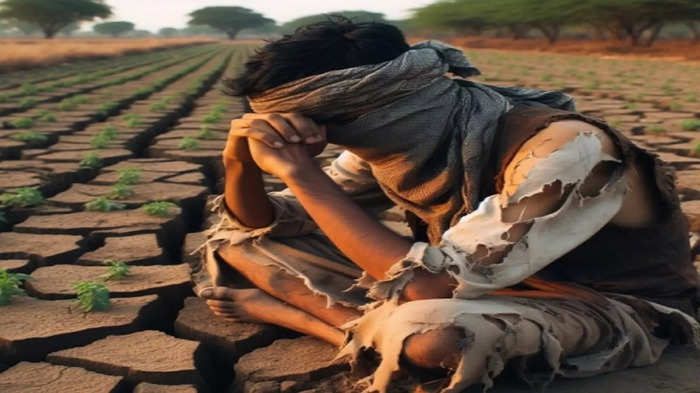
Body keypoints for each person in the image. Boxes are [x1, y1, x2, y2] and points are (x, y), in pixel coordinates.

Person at [192, 18, 700, 392]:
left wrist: (302, 173)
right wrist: (238, 158)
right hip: (469, 282)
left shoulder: (564, 149)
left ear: (383, 103)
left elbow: (428, 286)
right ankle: (361, 322)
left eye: (321, 125)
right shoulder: (392, 141)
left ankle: (312, 317)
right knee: (241, 241)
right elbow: (261, 221)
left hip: (601, 301)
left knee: (433, 335)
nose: (319, 140)